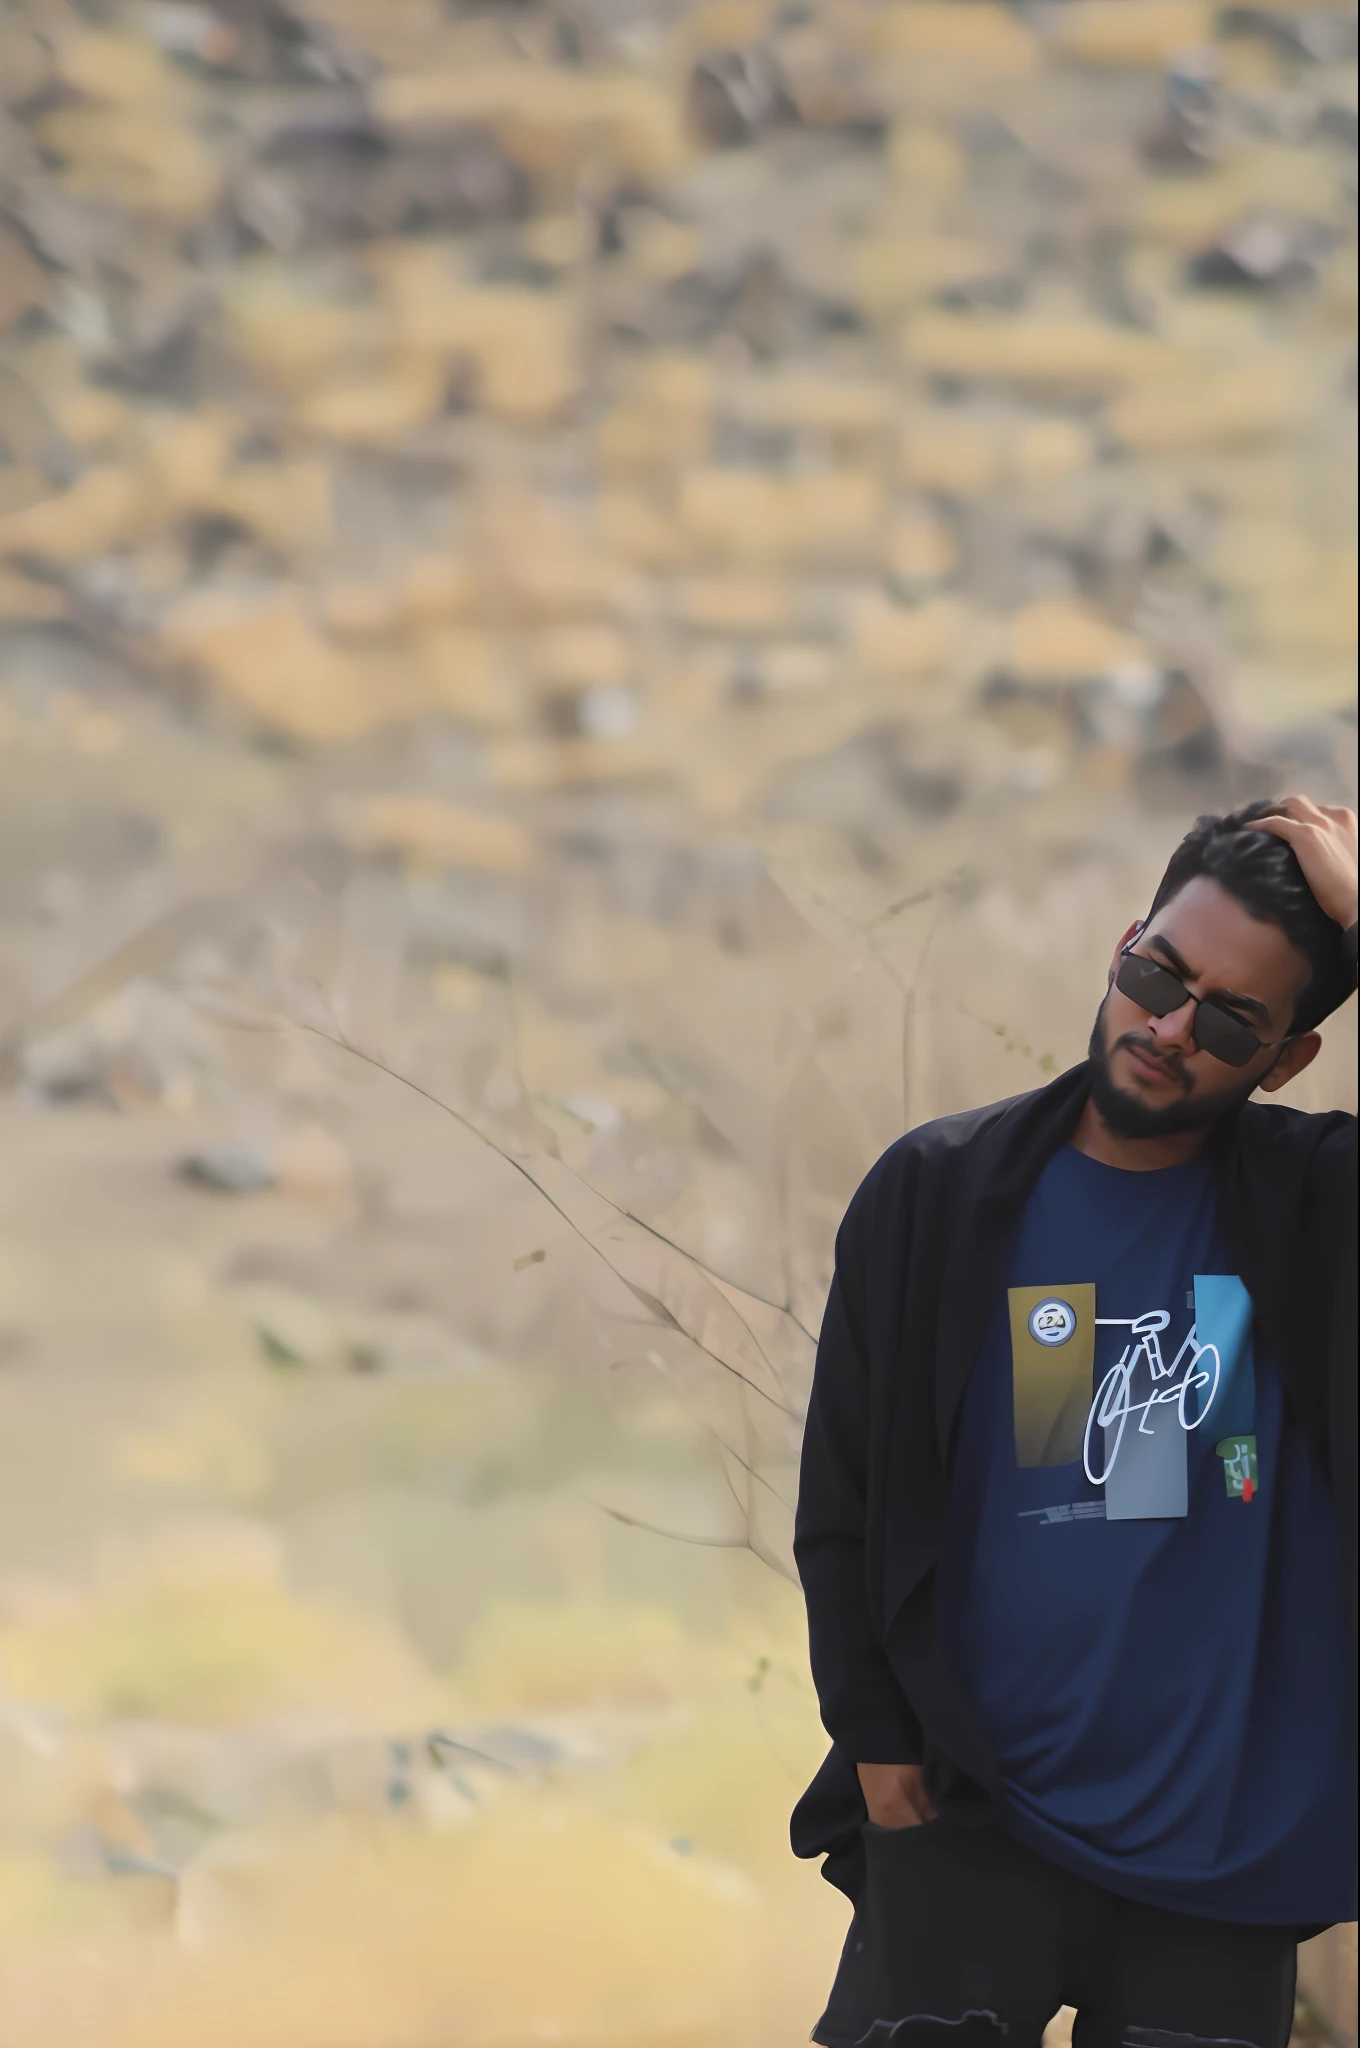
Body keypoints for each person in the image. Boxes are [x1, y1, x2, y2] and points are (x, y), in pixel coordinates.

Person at [791, 795, 1358, 2048]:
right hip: (966, 1816)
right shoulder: (936, 1192)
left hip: (1221, 1852)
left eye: (1226, 1017)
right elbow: (841, 1499)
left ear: (1286, 1058)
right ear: (1122, 942)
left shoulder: (1319, 1209)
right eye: (1156, 971)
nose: (1167, 1024)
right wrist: (876, 1740)